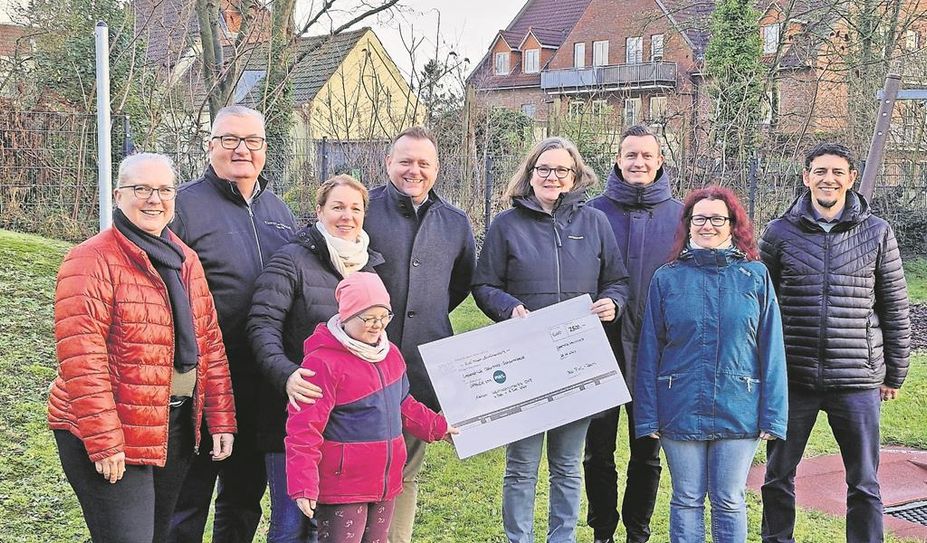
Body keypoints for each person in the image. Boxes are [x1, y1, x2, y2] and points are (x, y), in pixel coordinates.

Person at [48, 153, 237, 542]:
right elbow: (82, 361)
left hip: (173, 427)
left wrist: (221, 419)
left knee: (159, 535)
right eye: (141, 189)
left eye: (164, 189)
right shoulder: (90, 260)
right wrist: (104, 441)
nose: (154, 198)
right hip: (112, 429)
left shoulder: (185, 259)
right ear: (118, 195)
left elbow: (210, 345)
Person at [472, 136, 630, 543]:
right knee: (522, 465)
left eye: (562, 170)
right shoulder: (506, 224)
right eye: (544, 169)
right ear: (530, 173)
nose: (552, 177)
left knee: (567, 463)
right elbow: (484, 284)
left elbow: (617, 280)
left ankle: (562, 537)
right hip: (525, 361)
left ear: (576, 176)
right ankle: (519, 538)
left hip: (575, 359)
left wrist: (612, 302)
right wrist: (509, 308)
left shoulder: (594, 222)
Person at [759, 143, 911, 543]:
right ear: (806, 177)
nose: (829, 179)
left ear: (851, 178)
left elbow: (895, 306)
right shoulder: (779, 232)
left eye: (837, 172)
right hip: (793, 377)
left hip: (857, 379)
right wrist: (761, 371)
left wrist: (894, 372)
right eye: (820, 171)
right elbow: (761, 307)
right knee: (777, 476)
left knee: (863, 481)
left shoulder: (877, 232)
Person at [169, 105, 304, 542]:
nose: (241, 149)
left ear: (266, 149)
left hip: (262, 381)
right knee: (188, 500)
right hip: (203, 383)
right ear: (210, 145)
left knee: (244, 498)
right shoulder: (183, 207)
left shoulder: (279, 211)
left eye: (253, 141)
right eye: (230, 139)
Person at [634, 186, 788, 543]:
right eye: (699, 218)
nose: (708, 225)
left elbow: (772, 349)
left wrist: (773, 415)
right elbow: (648, 353)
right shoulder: (667, 278)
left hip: (739, 406)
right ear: (688, 224)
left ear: (732, 225)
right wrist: (647, 414)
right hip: (679, 405)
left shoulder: (755, 277)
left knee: (729, 499)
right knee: (686, 499)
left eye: (717, 218)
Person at [248, 175, 384, 542]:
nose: (347, 216)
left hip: (346, 428)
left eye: (355, 208)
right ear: (319, 210)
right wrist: (287, 375)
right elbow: (262, 326)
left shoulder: (368, 268)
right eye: (337, 206)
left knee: (329, 526)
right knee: (291, 524)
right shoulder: (291, 260)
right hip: (293, 416)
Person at [363, 125, 476, 543]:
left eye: (423, 163)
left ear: (437, 168)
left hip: (421, 368)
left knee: (406, 470)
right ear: (388, 163)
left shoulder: (455, 222)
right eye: (405, 161)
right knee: (357, 465)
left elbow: (460, 284)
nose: (414, 170)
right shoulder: (363, 209)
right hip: (363, 365)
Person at [285, 272, 457, 543]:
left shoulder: (391, 355)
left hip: (384, 483)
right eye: (368, 318)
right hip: (344, 487)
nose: (377, 326)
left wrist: (437, 427)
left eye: (384, 317)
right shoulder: (322, 364)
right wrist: (304, 484)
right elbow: (303, 430)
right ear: (346, 316)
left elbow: (404, 404)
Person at [585, 125, 682, 543]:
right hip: (598, 347)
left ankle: (637, 531)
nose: (638, 163)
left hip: (657, 352)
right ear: (618, 160)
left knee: (648, 450)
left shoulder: (682, 216)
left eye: (646, 156)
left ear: (660, 161)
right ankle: (603, 530)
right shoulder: (591, 213)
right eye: (630, 156)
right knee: (597, 451)